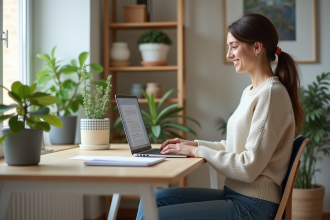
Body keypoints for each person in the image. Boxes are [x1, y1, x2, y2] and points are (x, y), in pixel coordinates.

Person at [136, 14, 304, 220]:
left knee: (152, 216)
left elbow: (248, 167)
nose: (228, 54)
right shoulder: (252, 91)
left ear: (257, 47)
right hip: (238, 195)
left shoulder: (270, 94)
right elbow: (235, 147)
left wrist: (199, 151)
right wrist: (192, 144)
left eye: (233, 46)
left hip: (254, 204)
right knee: (151, 200)